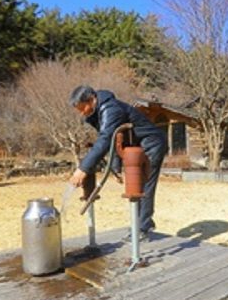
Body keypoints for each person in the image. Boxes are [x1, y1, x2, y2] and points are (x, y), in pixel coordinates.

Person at [69, 85, 169, 240]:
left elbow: (105, 139)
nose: (82, 113)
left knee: (143, 183)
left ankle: (143, 227)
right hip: (135, 146)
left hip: (152, 143)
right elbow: (116, 139)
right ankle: (141, 224)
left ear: (92, 99)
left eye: (83, 108)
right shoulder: (100, 113)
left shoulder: (111, 110)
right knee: (137, 184)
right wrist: (116, 169)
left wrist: (83, 168)